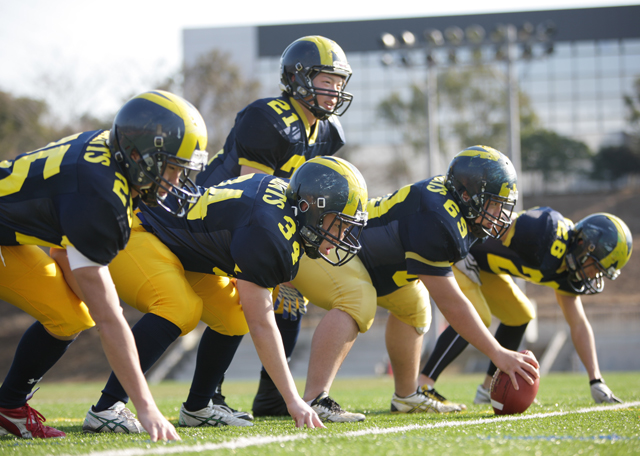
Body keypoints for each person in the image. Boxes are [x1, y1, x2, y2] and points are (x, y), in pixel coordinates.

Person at [56, 156, 367, 432]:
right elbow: (263, 322)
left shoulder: (284, 205)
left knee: (233, 317)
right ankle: (107, 407)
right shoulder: (270, 232)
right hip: (143, 229)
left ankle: (198, 406)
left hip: (184, 247)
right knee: (178, 308)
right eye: (339, 224)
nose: (341, 235)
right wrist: (293, 399)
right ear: (309, 207)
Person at [253, 145, 540, 422]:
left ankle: (406, 395)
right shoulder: (439, 218)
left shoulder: (456, 210)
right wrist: (498, 353)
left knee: (414, 305)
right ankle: (316, 397)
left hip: (367, 258)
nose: (499, 214)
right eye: (493, 203)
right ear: (466, 195)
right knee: (357, 298)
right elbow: (452, 303)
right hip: (329, 245)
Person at [0, 90, 209, 440]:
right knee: (95, 314)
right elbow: (110, 321)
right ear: (138, 153)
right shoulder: (101, 198)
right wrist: (145, 405)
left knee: (70, 315)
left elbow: (62, 248)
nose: (175, 181)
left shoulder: (108, 153)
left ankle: (9, 407)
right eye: (172, 168)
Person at [193, 34, 354, 419]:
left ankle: (270, 398)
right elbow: (250, 191)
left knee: (291, 305)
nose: (333, 91)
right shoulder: (268, 118)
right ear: (297, 79)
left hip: (266, 222)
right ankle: (208, 396)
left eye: (338, 82)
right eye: (325, 80)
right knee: (235, 305)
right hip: (219, 220)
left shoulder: (328, 133)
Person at [418, 208, 632, 408]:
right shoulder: (545, 230)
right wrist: (462, 246)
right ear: (584, 243)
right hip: (462, 255)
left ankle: (487, 389)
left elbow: (578, 323)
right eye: (596, 265)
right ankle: (423, 385)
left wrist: (596, 380)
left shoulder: (569, 271)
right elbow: (494, 218)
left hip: (486, 268)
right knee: (478, 317)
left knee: (520, 314)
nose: (594, 275)